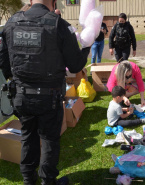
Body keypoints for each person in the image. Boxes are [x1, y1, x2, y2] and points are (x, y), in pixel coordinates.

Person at [0, 0, 91, 184]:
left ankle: (29, 180)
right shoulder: (58, 24)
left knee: (28, 137)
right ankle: (47, 181)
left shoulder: (12, 22)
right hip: (48, 98)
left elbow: (4, 63)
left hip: (22, 96)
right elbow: (75, 65)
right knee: (49, 140)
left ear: (31, 1)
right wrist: (88, 45)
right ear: (54, 2)